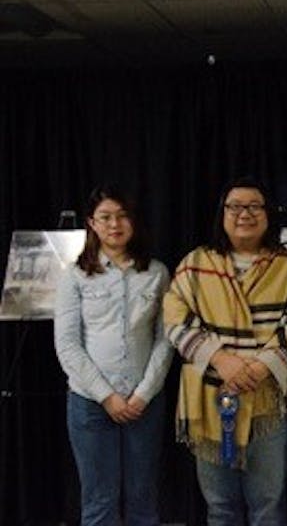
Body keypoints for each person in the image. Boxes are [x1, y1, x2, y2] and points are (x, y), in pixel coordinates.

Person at [163, 177, 287, 526]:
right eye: (235, 206)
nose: (244, 213)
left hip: (268, 402)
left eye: (254, 206)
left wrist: (261, 367)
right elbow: (175, 319)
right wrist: (220, 359)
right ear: (222, 214)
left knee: (269, 505)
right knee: (220, 507)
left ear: (267, 214)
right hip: (209, 400)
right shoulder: (195, 263)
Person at [54, 184, 172, 526]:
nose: (114, 224)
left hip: (143, 403)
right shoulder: (75, 276)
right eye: (105, 217)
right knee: (98, 502)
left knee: (143, 498)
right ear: (92, 223)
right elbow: (67, 344)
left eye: (122, 216)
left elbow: (165, 340)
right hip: (89, 403)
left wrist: (143, 394)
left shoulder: (157, 272)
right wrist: (106, 396)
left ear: (133, 221)